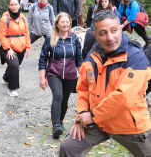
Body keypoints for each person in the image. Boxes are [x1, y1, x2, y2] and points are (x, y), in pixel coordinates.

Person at [59, 10, 151, 156]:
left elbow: (123, 98)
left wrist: (92, 116)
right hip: (99, 123)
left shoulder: (136, 58)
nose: (110, 37)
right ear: (95, 35)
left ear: (121, 29)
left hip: (129, 126)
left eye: (114, 31)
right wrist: (82, 114)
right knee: (69, 147)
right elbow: (83, 87)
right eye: (102, 33)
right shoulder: (92, 55)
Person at [38, 12, 82, 139]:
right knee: (58, 95)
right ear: (57, 23)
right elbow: (43, 58)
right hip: (53, 72)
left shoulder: (74, 38)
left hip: (70, 74)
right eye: (62, 22)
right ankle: (56, 126)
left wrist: (83, 76)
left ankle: (61, 121)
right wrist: (42, 77)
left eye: (67, 22)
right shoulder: (50, 38)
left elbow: (78, 58)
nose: (65, 24)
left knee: (65, 99)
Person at [0, 0, 30, 97]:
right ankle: (12, 89)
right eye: (12, 5)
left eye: (16, 4)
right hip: (8, 47)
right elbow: (1, 36)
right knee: (15, 65)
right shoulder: (5, 19)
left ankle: (6, 78)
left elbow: (27, 33)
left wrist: (28, 47)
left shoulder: (23, 18)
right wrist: (8, 48)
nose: (14, 6)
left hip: (21, 47)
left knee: (14, 66)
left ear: (19, 5)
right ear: (9, 6)